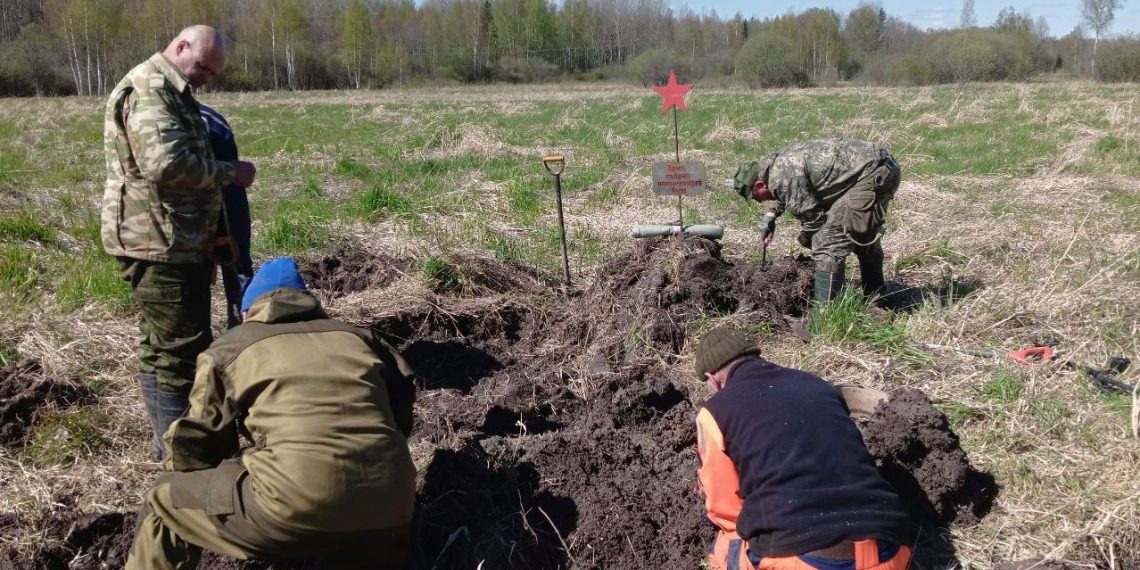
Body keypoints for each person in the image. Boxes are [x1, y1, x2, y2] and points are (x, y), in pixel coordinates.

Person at [124, 257, 417, 570]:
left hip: (297, 506)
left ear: (248, 313)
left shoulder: (231, 347)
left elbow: (197, 442)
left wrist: (189, 473)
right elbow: (401, 410)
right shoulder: (362, 338)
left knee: (164, 500)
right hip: (395, 503)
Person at [101, 25, 257, 459]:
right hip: (159, 243)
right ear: (181, 46)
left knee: (160, 348)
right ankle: (186, 459)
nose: (206, 77)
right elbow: (165, 165)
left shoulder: (174, 90)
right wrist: (231, 173)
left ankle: (165, 445)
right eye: (202, 66)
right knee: (182, 354)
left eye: (212, 72)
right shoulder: (151, 89)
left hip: (173, 238)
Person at [693, 326, 912, 570]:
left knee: (726, 546)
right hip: (891, 550)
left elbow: (725, 509)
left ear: (713, 378)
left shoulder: (714, 412)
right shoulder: (818, 385)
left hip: (804, 559)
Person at [733, 139, 900, 304]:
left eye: (756, 197)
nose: (759, 201)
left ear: (760, 185)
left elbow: (814, 219)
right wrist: (770, 216)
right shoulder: (773, 166)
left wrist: (805, 240)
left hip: (874, 173)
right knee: (860, 232)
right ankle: (876, 296)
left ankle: (827, 312)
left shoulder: (781, 176)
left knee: (828, 240)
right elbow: (783, 188)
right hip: (874, 167)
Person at [198, 103, 254, 329]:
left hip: (224, 211)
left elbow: (231, 197)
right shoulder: (204, 120)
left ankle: (244, 325)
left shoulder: (210, 122)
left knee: (236, 263)